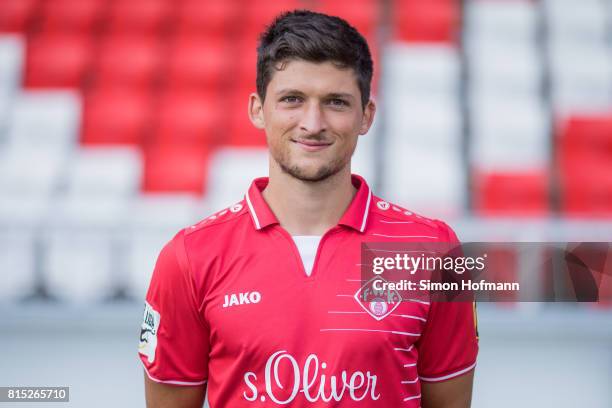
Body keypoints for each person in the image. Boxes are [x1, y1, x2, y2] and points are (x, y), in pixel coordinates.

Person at [139, 9, 478, 408]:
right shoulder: (189, 258)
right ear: (257, 109)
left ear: (366, 115)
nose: (313, 123)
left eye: (336, 102)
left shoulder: (432, 250)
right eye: (292, 100)